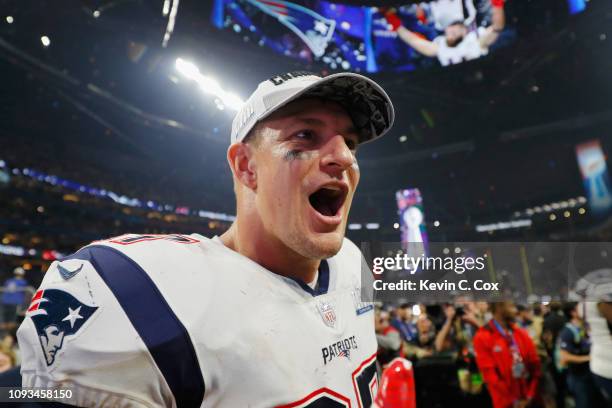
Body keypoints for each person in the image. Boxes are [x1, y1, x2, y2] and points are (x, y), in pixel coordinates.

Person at [16, 71, 395, 406]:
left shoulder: (349, 262)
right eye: (306, 135)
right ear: (247, 167)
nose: (344, 157)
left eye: (350, 142)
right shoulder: (137, 291)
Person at [383, 0, 505, 67]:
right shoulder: (475, 43)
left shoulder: (441, 48)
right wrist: (497, 5)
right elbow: (497, 27)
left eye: (449, 35)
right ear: (464, 32)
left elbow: (413, 41)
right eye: (454, 34)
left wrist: (394, 23)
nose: (450, 31)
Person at [473, 301, 541, 408]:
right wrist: (513, 401)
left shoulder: (521, 333)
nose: (516, 310)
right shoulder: (483, 337)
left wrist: (530, 395)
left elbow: (535, 366)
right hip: (506, 403)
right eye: (511, 306)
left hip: (529, 400)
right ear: (499, 307)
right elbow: (490, 376)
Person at [557, 302, 598, 408]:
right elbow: (565, 357)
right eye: (579, 307)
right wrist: (589, 357)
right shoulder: (567, 331)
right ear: (573, 312)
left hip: (592, 373)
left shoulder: (586, 326)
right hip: (579, 377)